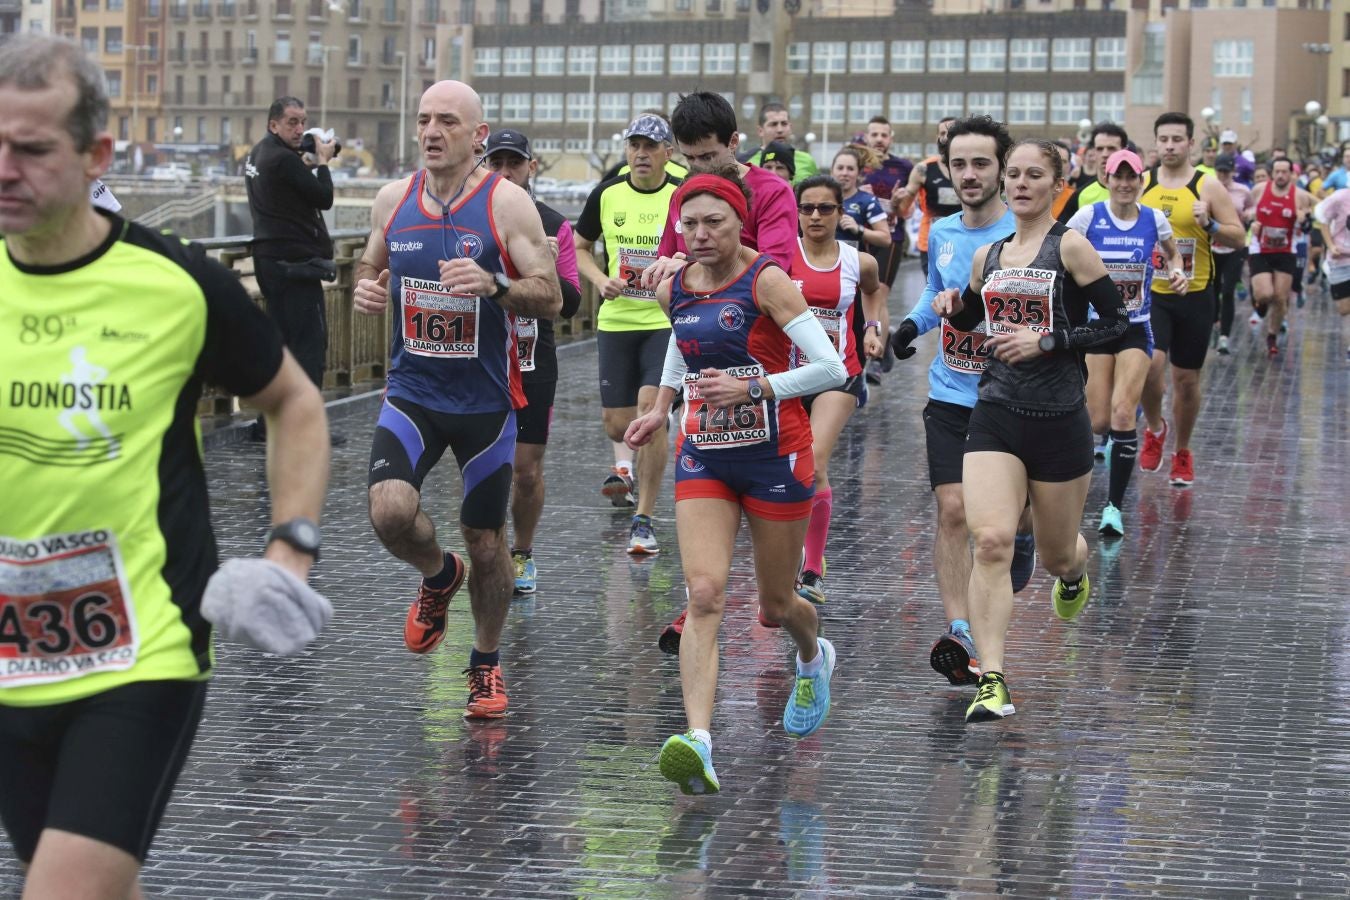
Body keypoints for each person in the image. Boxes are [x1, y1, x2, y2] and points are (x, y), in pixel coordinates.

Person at [0, 34, 332, 896]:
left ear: (96, 155)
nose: (5, 169)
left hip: (141, 648)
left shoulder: (174, 284)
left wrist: (289, 550)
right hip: (11, 660)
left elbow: (295, 403)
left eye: (32, 150)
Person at [624, 170, 846, 794]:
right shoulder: (677, 285)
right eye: (688, 224)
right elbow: (683, 345)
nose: (699, 235)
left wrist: (755, 387)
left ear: (738, 222)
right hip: (706, 455)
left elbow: (829, 367)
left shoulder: (766, 279)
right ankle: (699, 739)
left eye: (713, 223)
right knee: (703, 593)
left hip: (777, 456)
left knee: (777, 608)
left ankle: (813, 656)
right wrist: (662, 407)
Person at [351, 80, 562, 720]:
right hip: (412, 391)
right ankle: (438, 575)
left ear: (477, 135)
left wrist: (493, 285)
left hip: (486, 404)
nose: (431, 131)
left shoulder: (507, 204)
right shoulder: (395, 200)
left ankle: (486, 665)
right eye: (423, 120)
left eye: (447, 120)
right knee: (389, 512)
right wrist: (366, 288)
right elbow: (369, 264)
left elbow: (551, 296)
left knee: (487, 542)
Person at [931, 139, 1129, 724]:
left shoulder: (1069, 246)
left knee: (1055, 552)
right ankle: (992, 679)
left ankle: (1074, 571)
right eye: (1013, 174)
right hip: (994, 413)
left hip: (1059, 420)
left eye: (1033, 175)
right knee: (989, 540)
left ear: (1056, 184)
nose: (1020, 183)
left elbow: (1117, 325)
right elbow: (973, 313)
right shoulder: (987, 256)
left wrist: (1048, 342)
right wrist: (950, 307)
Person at [888, 115, 1036, 688]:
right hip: (951, 394)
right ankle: (961, 631)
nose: (969, 174)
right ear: (946, 169)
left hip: (1013, 399)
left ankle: (1022, 535)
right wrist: (912, 325)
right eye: (959, 164)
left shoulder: (1029, 239)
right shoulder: (944, 231)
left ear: (1001, 169)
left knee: (1005, 525)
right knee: (953, 511)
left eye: (981, 163)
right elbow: (933, 291)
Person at [574, 114, 683, 554]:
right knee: (618, 423)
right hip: (616, 321)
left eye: (651, 146)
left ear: (667, 153)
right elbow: (579, 247)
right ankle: (630, 467)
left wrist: (677, 270)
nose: (641, 153)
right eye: (634, 145)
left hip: (663, 322)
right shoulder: (607, 193)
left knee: (649, 415)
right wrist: (600, 281)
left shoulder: (681, 195)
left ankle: (645, 518)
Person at [1067, 149, 1189, 536]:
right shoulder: (1088, 217)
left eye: (1131, 177)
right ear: (1106, 180)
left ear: (1142, 181)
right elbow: (1060, 253)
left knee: (1122, 414)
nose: (1123, 184)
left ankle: (1113, 509)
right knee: (1098, 420)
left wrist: (1177, 272)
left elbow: (1174, 256)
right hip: (1098, 329)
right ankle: (1072, 493)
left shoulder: (1154, 218)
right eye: (1117, 177)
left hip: (1136, 329)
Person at [482, 128, 583, 594]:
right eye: (495, 164)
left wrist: (551, 270)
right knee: (483, 465)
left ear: (530, 166)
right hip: (479, 354)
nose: (504, 173)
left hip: (531, 356)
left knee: (525, 470)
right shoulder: (469, 215)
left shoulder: (552, 222)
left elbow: (571, 304)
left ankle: (522, 552)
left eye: (513, 164)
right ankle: (488, 549)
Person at [790, 175, 889, 605]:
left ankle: (812, 567)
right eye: (807, 208)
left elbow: (875, 294)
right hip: (787, 376)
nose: (815, 216)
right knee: (786, 468)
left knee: (813, 460)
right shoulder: (779, 256)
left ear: (839, 213)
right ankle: (787, 547)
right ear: (796, 212)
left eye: (825, 208)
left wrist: (873, 329)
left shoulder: (857, 261)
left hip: (837, 373)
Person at [1138, 112, 1244, 487]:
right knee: (1150, 367)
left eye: (1177, 139)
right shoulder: (1142, 183)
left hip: (1196, 295)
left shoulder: (1207, 186)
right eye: (1163, 139)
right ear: (1155, 143)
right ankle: (1154, 428)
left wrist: (1211, 225)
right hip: (1152, 295)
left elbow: (1239, 237)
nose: (1169, 146)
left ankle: (1182, 450)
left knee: (1185, 380)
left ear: (1190, 144)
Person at [244, 95, 340, 442]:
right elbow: (323, 196)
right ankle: (308, 430)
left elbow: (290, 187)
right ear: (274, 125)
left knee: (281, 347)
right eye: (292, 123)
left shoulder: (258, 154)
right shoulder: (284, 161)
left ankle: (266, 425)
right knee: (310, 347)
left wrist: (307, 160)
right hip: (295, 265)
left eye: (303, 122)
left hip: (270, 262)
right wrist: (324, 162)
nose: (300, 129)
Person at [1248, 158, 1316, 357]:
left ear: (1291, 174)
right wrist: (1251, 221)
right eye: (1276, 171)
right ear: (1272, 173)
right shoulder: (1260, 190)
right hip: (1260, 249)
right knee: (1264, 294)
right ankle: (1259, 303)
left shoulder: (1300, 196)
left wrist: (1305, 219)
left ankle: (1272, 336)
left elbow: (1312, 220)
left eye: (1284, 172)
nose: (1280, 176)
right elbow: (1247, 211)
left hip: (1286, 250)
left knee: (1280, 297)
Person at [896, 117, 961, 278]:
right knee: (936, 291)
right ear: (938, 138)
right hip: (932, 240)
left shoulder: (972, 169)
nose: (947, 137)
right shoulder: (923, 169)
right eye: (943, 133)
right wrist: (896, 201)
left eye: (952, 133)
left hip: (964, 239)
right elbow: (903, 209)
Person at [861, 115, 915, 288]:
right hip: (858, 234)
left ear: (891, 139)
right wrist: (858, 194)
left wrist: (898, 203)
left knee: (880, 291)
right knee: (856, 292)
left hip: (891, 235)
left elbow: (909, 211)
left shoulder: (904, 167)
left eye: (884, 135)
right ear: (866, 137)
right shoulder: (854, 163)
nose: (879, 139)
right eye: (874, 134)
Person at [1210, 153, 1254, 355]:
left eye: (1226, 171)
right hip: (1211, 247)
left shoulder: (1242, 190)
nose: (1223, 175)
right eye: (1220, 171)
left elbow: (1251, 206)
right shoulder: (1207, 188)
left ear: (1233, 172)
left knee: (1228, 291)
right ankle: (1214, 321)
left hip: (1235, 247)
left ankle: (1224, 337)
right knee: (1213, 289)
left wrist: (1250, 214)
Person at [1056, 122, 1128, 225]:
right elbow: (1058, 235)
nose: (1105, 154)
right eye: (1100, 149)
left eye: (1111, 148)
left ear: (1124, 151)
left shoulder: (1139, 191)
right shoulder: (1081, 195)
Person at [739, 101, 819, 185]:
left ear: (790, 128)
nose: (780, 130)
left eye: (784, 124)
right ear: (760, 131)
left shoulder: (807, 160)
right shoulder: (745, 162)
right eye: (773, 124)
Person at [831, 146, 890, 252]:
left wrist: (858, 229)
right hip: (822, 264)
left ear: (858, 173)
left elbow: (886, 239)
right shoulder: (819, 200)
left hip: (852, 264)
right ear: (832, 171)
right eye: (840, 168)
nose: (844, 173)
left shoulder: (867, 201)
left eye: (850, 169)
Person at [1314, 186, 1350, 360]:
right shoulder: (1340, 198)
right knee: (1344, 308)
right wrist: (1330, 244)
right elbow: (1322, 218)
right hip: (1341, 258)